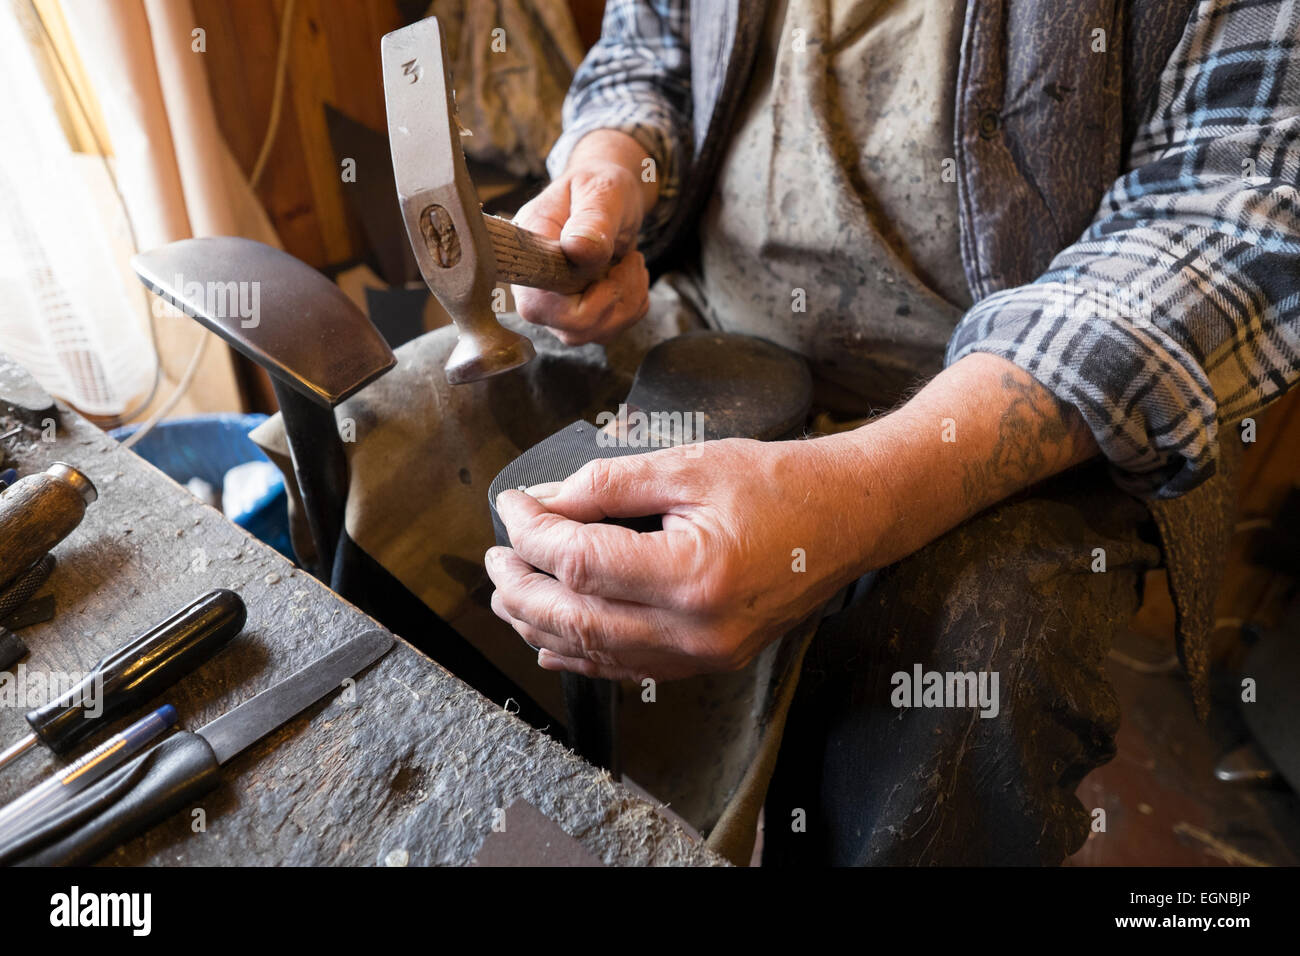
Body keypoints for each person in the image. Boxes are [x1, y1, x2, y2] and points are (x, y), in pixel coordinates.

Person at [259, 0, 1299, 864]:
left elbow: (1234, 212)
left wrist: (863, 494)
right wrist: (614, 160)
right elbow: (649, 42)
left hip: (1004, 390)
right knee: (384, 443)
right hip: (710, 320)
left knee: (972, 673)